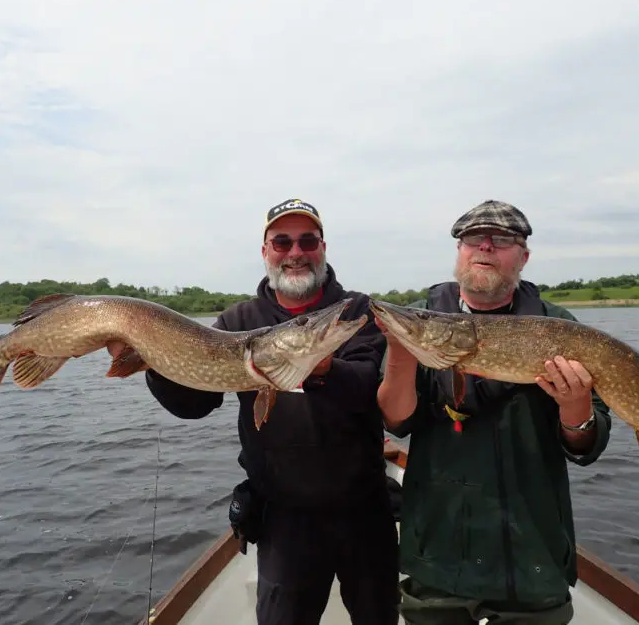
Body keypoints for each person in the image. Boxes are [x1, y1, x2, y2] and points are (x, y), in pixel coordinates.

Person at [108, 199, 400, 625]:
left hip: (363, 507)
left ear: (323, 247)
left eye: (307, 241)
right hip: (284, 515)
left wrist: (320, 367)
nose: (295, 251)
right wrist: (152, 361)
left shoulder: (354, 312)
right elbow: (196, 403)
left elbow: (369, 389)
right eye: (281, 241)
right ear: (265, 251)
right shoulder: (239, 319)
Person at [376, 199, 612, 625]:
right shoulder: (423, 320)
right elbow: (397, 420)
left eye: (501, 240)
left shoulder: (558, 325)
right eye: (472, 239)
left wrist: (574, 407)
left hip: (532, 560)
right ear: (459, 252)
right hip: (438, 556)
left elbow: (587, 443)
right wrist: (400, 354)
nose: (484, 247)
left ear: (523, 257)